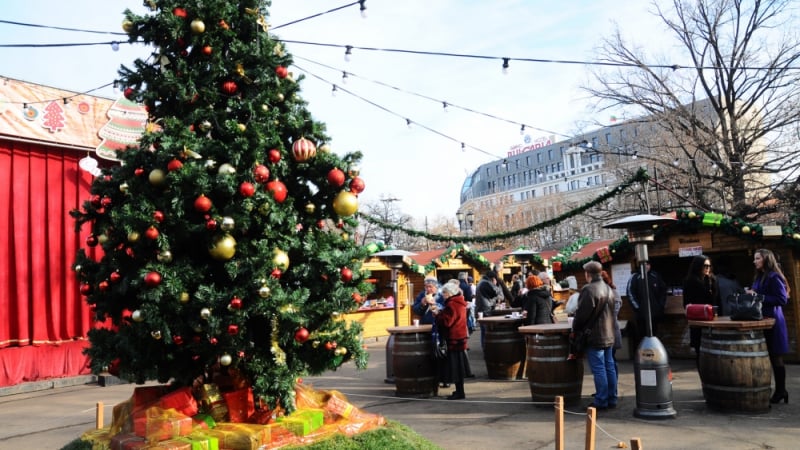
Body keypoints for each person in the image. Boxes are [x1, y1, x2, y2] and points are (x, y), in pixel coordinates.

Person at [572, 261, 617, 410]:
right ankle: (612, 398)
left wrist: (575, 329)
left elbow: (581, 315)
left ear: (588, 274)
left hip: (595, 336)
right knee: (609, 367)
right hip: (609, 334)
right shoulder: (609, 289)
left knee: (599, 369)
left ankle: (601, 400)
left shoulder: (589, 289)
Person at [748, 249, 790, 404]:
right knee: (770, 357)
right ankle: (780, 390)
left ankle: (781, 391)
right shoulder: (760, 276)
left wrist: (758, 296)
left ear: (766, 259)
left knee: (776, 357)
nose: (755, 261)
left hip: (774, 321)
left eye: (757, 258)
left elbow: (782, 299)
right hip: (763, 320)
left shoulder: (774, 276)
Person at [432, 280, 469, 400]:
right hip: (459, 338)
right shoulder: (459, 302)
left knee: (456, 367)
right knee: (458, 366)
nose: (443, 295)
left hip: (454, 339)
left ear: (450, 293)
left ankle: (460, 392)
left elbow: (447, 322)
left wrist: (437, 315)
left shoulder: (452, 304)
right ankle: (459, 391)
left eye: (444, 293)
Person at [682, 255, 720, 367]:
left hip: (711, 319)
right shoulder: (690, 281)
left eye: (709, 265)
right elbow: (686, 303)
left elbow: (715, 300)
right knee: (700, 350)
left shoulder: (712, 280)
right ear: (698, 266)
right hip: (698, 320)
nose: (707, 268)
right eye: (705, 266)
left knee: (713, 349)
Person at [626, 259, 667, 344]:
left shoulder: (655, 275)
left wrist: (660, 305)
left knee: (654, 334)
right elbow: (630, 293)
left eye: (648, 264)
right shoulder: (635, 277)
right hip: (641, 314)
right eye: (644, 265)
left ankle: (654, 352)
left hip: (655, 313)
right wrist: (638, 308)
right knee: (642, 335)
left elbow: (663, 291)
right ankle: (643, 353)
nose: (646, 266)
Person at [475, 270, 503, 348]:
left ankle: (485, 349)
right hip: (485, 310)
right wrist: (496, 286)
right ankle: (486, 350)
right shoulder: (485, 283)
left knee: (484, 331)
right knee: (486, 331)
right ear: (493, 278)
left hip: (481, 309)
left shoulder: (482, 282)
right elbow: (493, 294)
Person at [600, 270, 623, 367]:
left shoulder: (612, 293)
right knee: (610, 360)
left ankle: (613, 382)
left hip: (610, 331)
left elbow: (613, 314)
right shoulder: (608, 292)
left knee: (610, 360)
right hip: (607, 332)